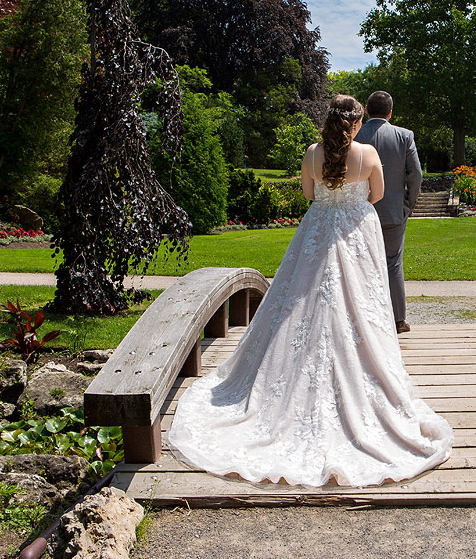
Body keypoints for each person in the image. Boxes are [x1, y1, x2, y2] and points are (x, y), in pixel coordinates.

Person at [165, 94, 452, 488]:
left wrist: (331, 200)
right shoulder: (367, 154)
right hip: (355, 233)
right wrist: (351, 204)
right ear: (356, 123)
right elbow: (379, 195)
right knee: (360, 304)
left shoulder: (312, 152)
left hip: (317, 230)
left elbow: (308, 195)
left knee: (300, 300)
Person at [353, 91, 421, 334]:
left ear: (368, 111)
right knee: (393, 264)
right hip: (394, 212)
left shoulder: (355, 135)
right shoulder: (404, 136)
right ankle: (398, 320)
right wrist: (407, 206)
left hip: (358, 212)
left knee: (359, 264)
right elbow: (415, 175)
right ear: (390, 113)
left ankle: (363, 319)